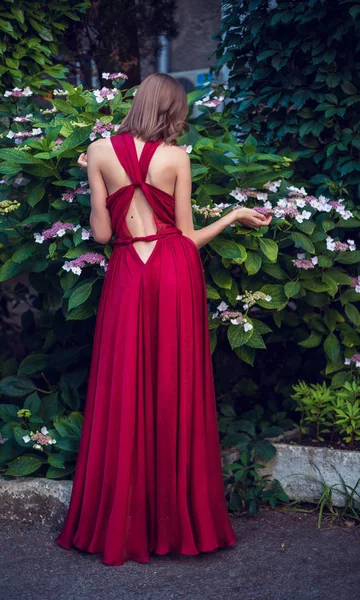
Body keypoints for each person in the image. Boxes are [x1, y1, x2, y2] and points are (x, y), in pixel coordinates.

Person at [56, 72, 272, 567]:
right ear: (173, 109)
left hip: (129, 273)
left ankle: (121, 525)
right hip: (173, 271)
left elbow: (103, 236)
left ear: (138, 102)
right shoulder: (178, 158)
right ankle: (178, 527)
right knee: (175, 386)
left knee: (125, 386)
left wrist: (94, 177)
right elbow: (187, 235)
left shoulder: (99, 152)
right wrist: (234, 215)